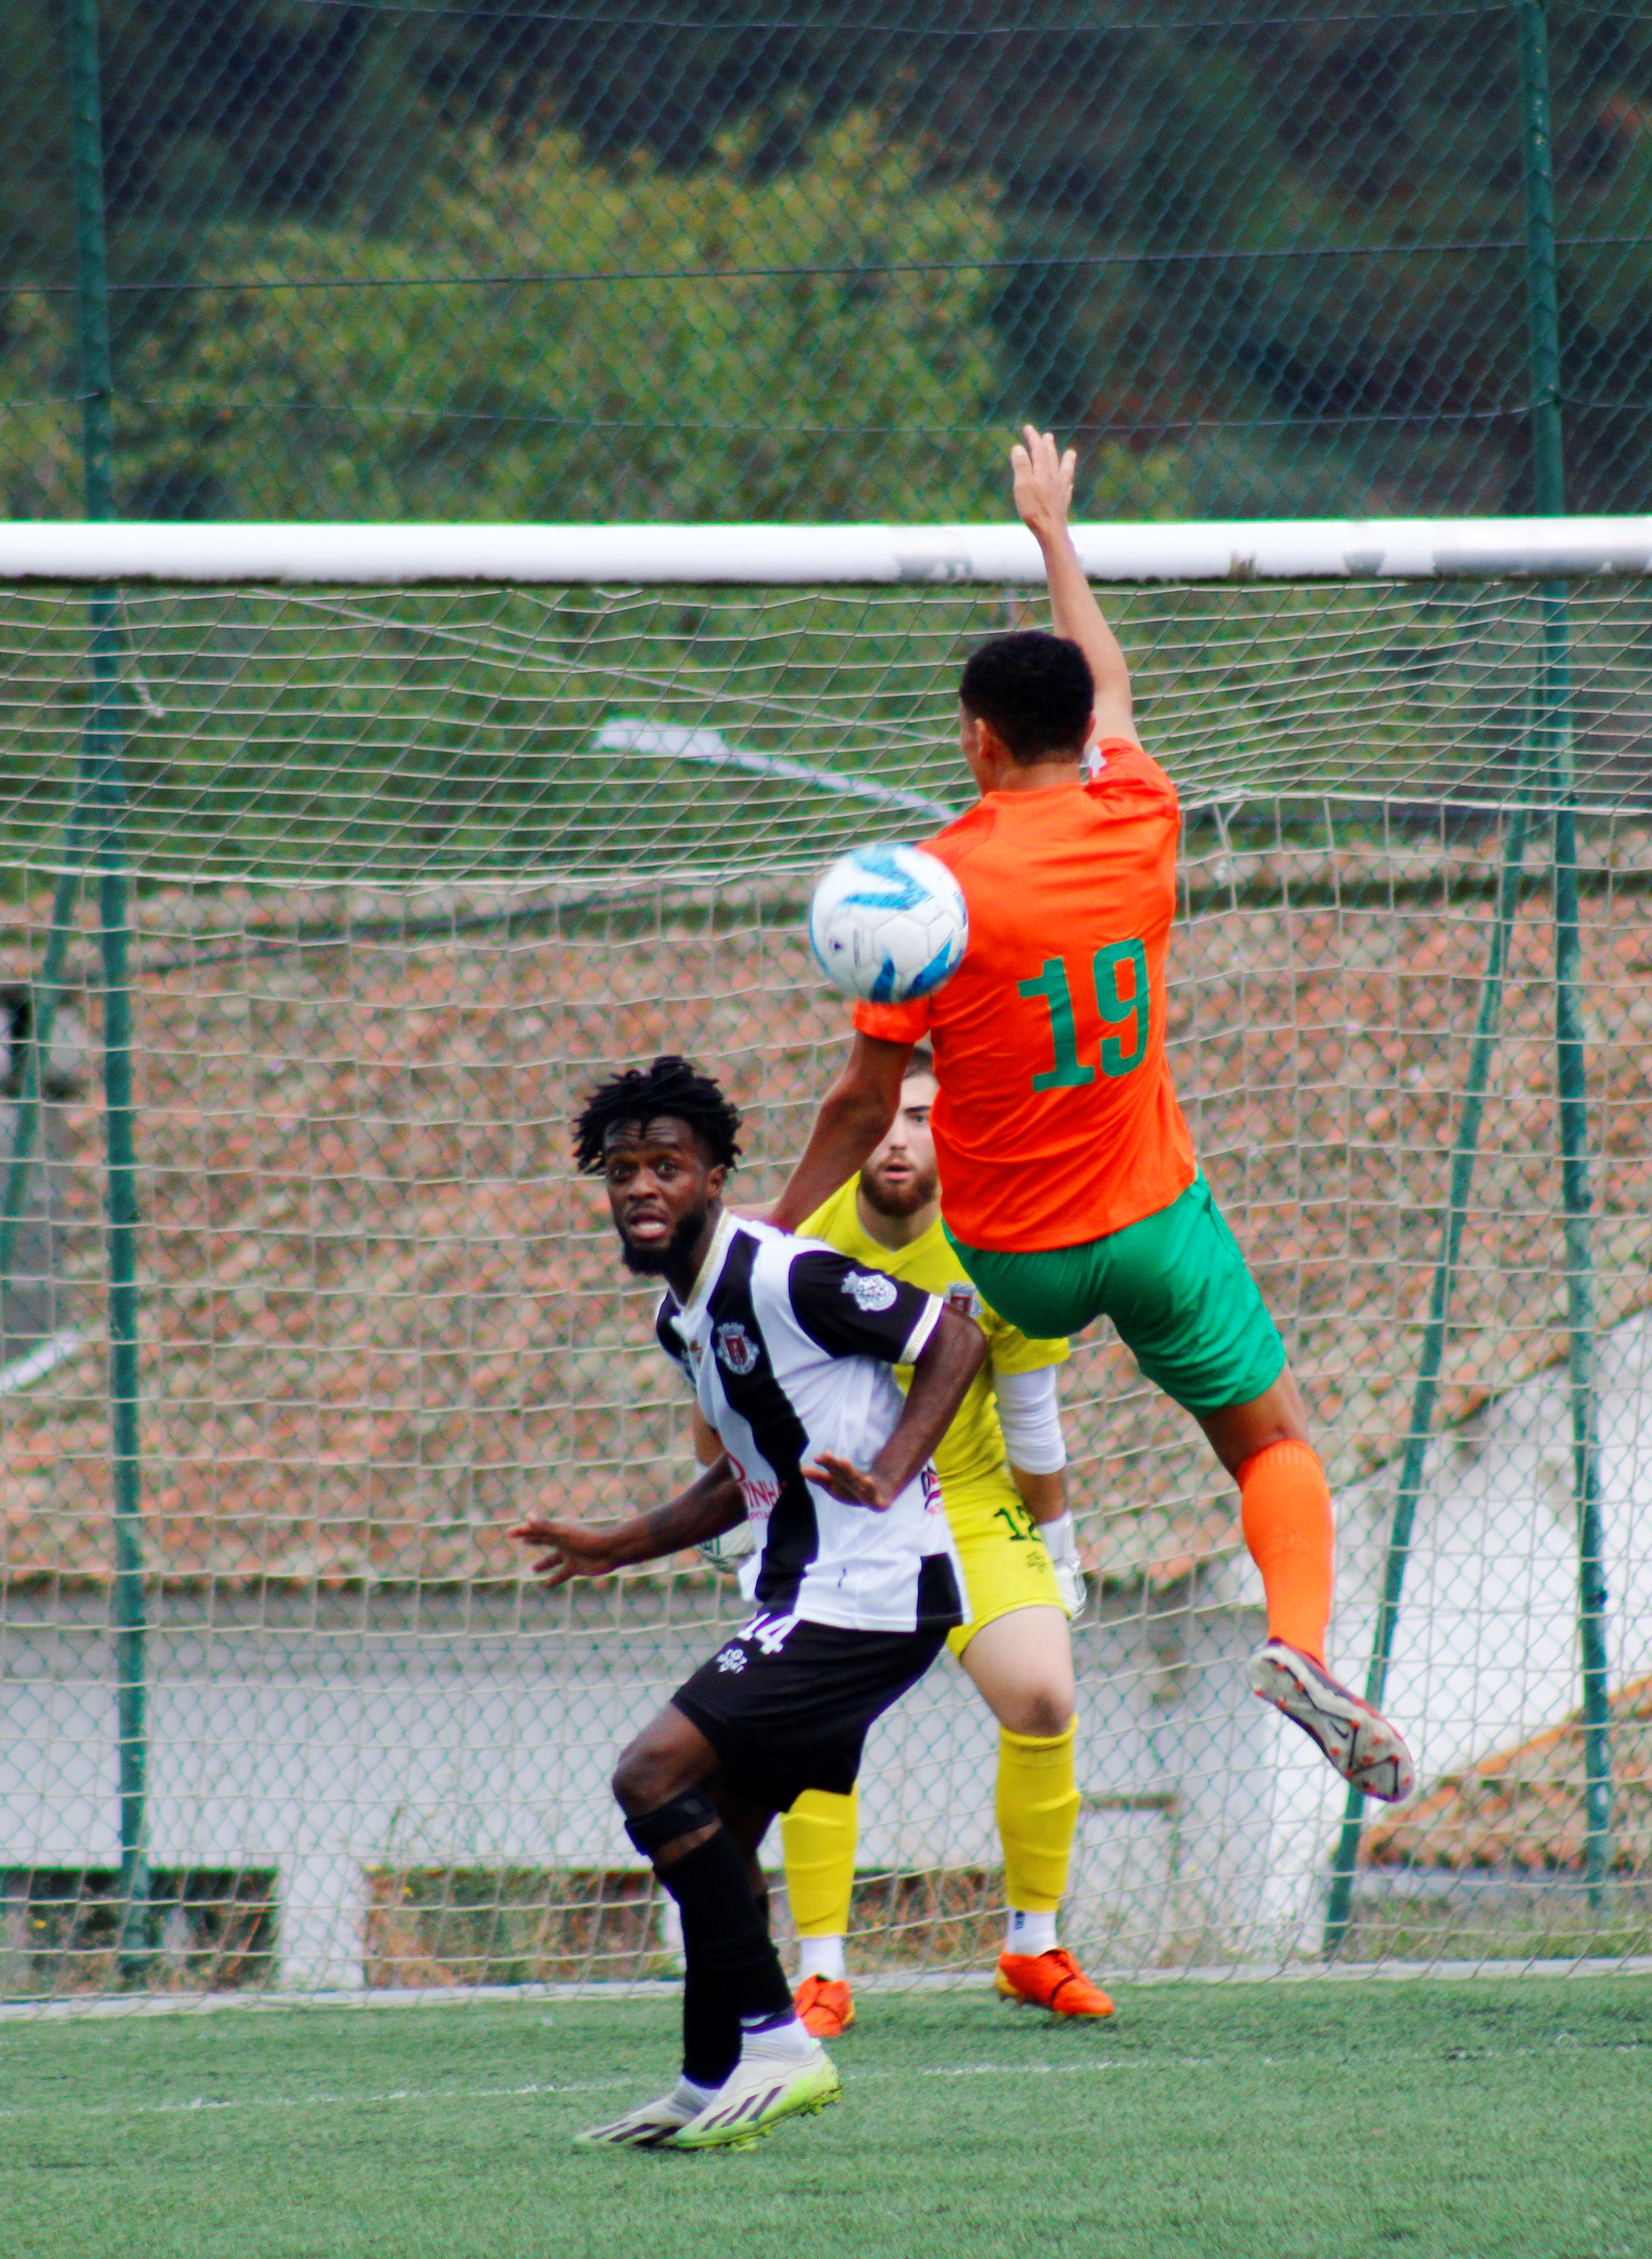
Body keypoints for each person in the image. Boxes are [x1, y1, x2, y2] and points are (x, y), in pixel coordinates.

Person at [767, 426, 1411, 1805]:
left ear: (978, 741)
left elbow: (863, 1103)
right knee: (1277, 1446)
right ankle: (1297, 1641)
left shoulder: (932, 887)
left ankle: (882, 1559)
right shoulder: (1144, 808)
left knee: (953, 1397)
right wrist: (1054, 531)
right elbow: (1110, 681)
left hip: (1009, 1253)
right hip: (1156, 1224)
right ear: (1080, 741)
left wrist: (760, 1242)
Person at [513, 1056, 988, 2148]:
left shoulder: (781, 1272)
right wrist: (614, 1544)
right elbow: (745, 1473)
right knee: (718, 1833)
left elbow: (953, 1339)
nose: (641, 1187)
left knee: (648, 1774)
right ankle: (708, 2078)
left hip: (871, 1593)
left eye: (666, 1166)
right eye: (622, 1169)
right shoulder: (681, 1323)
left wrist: (893, 1464)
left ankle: (780, 2042)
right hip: (812, 1593)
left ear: (717, 1175)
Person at [772, 1049, 1111, 2032]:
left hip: (965, 1497)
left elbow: (1034, 1421)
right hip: (840, 1513)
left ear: (953, 1132)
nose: (899, 1136)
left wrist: (1061, 1545)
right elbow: (721, 1379)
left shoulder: (1003, 1246)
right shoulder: (796, 1248)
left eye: (922, 1116)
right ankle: (823, 1969)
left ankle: (1031, 1945)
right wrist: (744, 1510)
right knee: (813, 1721)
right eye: (882, 1116)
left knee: (1045, 1695)